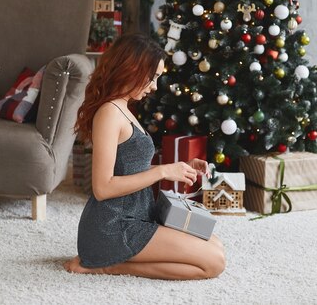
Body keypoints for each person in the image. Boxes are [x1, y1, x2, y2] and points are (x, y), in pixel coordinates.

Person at [63, 33, 225, 280]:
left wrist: (178, 167)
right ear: (132, 69)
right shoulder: (109, 113)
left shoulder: (123, 107)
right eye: (153, 77)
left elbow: (132, 165)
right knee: (214, 263)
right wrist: (162, 171)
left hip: (138, 216)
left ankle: (111, 261)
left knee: (215, 246)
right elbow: (102, 188)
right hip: (112, 226)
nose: (154, 86)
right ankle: (108, 265)